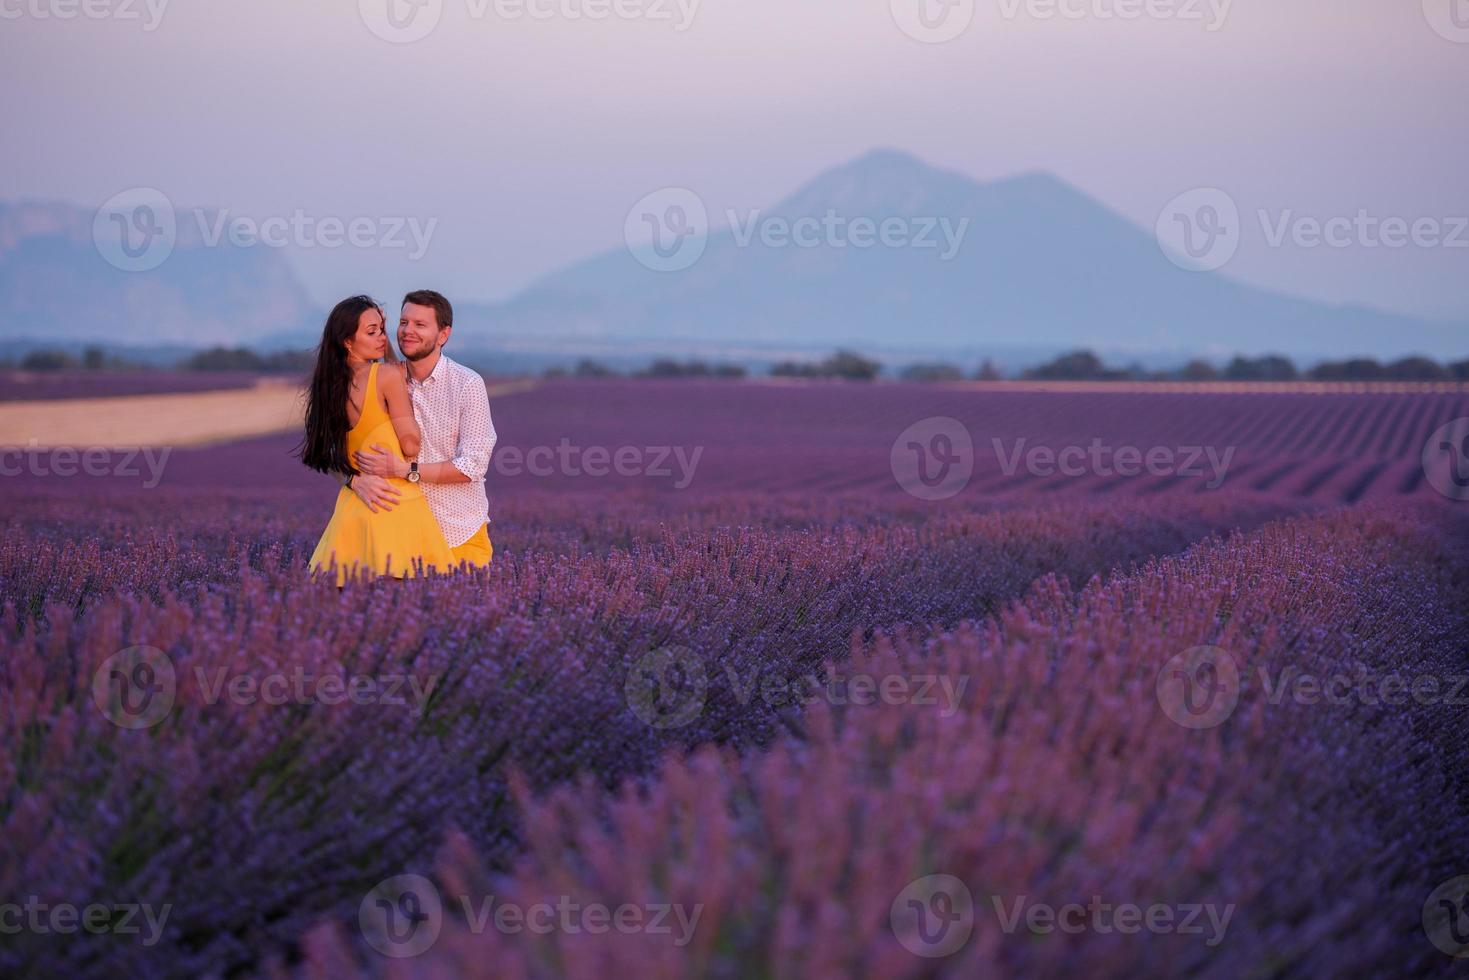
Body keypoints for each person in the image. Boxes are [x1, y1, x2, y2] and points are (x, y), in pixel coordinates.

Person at [299, 295, 456, 584]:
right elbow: (410, 444)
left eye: (382, 330)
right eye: (372, 332)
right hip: (395, 506)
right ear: (348, 341)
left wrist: (354, 480)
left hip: (353, 509)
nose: (382, 338)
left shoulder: (330, 387)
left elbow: (323, 454)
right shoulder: (385, 376)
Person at [351, 289, 497, 569]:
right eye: (404, 322)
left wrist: (405, 471)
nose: (408, 331)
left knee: (463, 611)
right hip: (397, 532)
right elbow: (336, 446)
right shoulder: (382, 380)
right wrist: (354, 480)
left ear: (444, 335)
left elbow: (473, 465)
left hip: (457, 533)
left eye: (420, 325)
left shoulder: (467, 384)